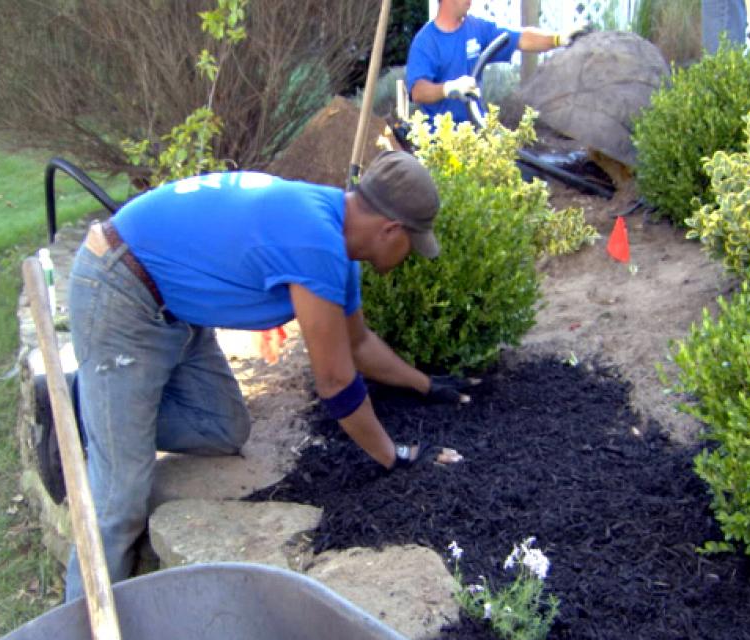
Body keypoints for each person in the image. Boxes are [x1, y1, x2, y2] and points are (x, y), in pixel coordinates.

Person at [63, 151, 469, 602]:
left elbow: (357, 344)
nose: (412, 253)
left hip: (176, 307)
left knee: (223, 428)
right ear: (391, 229)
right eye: (413, 243)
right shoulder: (316, 243)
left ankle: (98, 406)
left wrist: (426, 384)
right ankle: (79, 633)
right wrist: (394, 455)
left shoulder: (334, 237)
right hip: (122, 287)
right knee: (120, 500)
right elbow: (335, 382)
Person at [406, 0, 588, 124]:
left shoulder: (477, 28)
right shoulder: (426, 41)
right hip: (440, 138)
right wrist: (449, 88)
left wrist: (557, 39)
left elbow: (521, 38)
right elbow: (418, 91)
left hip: (476, 128)